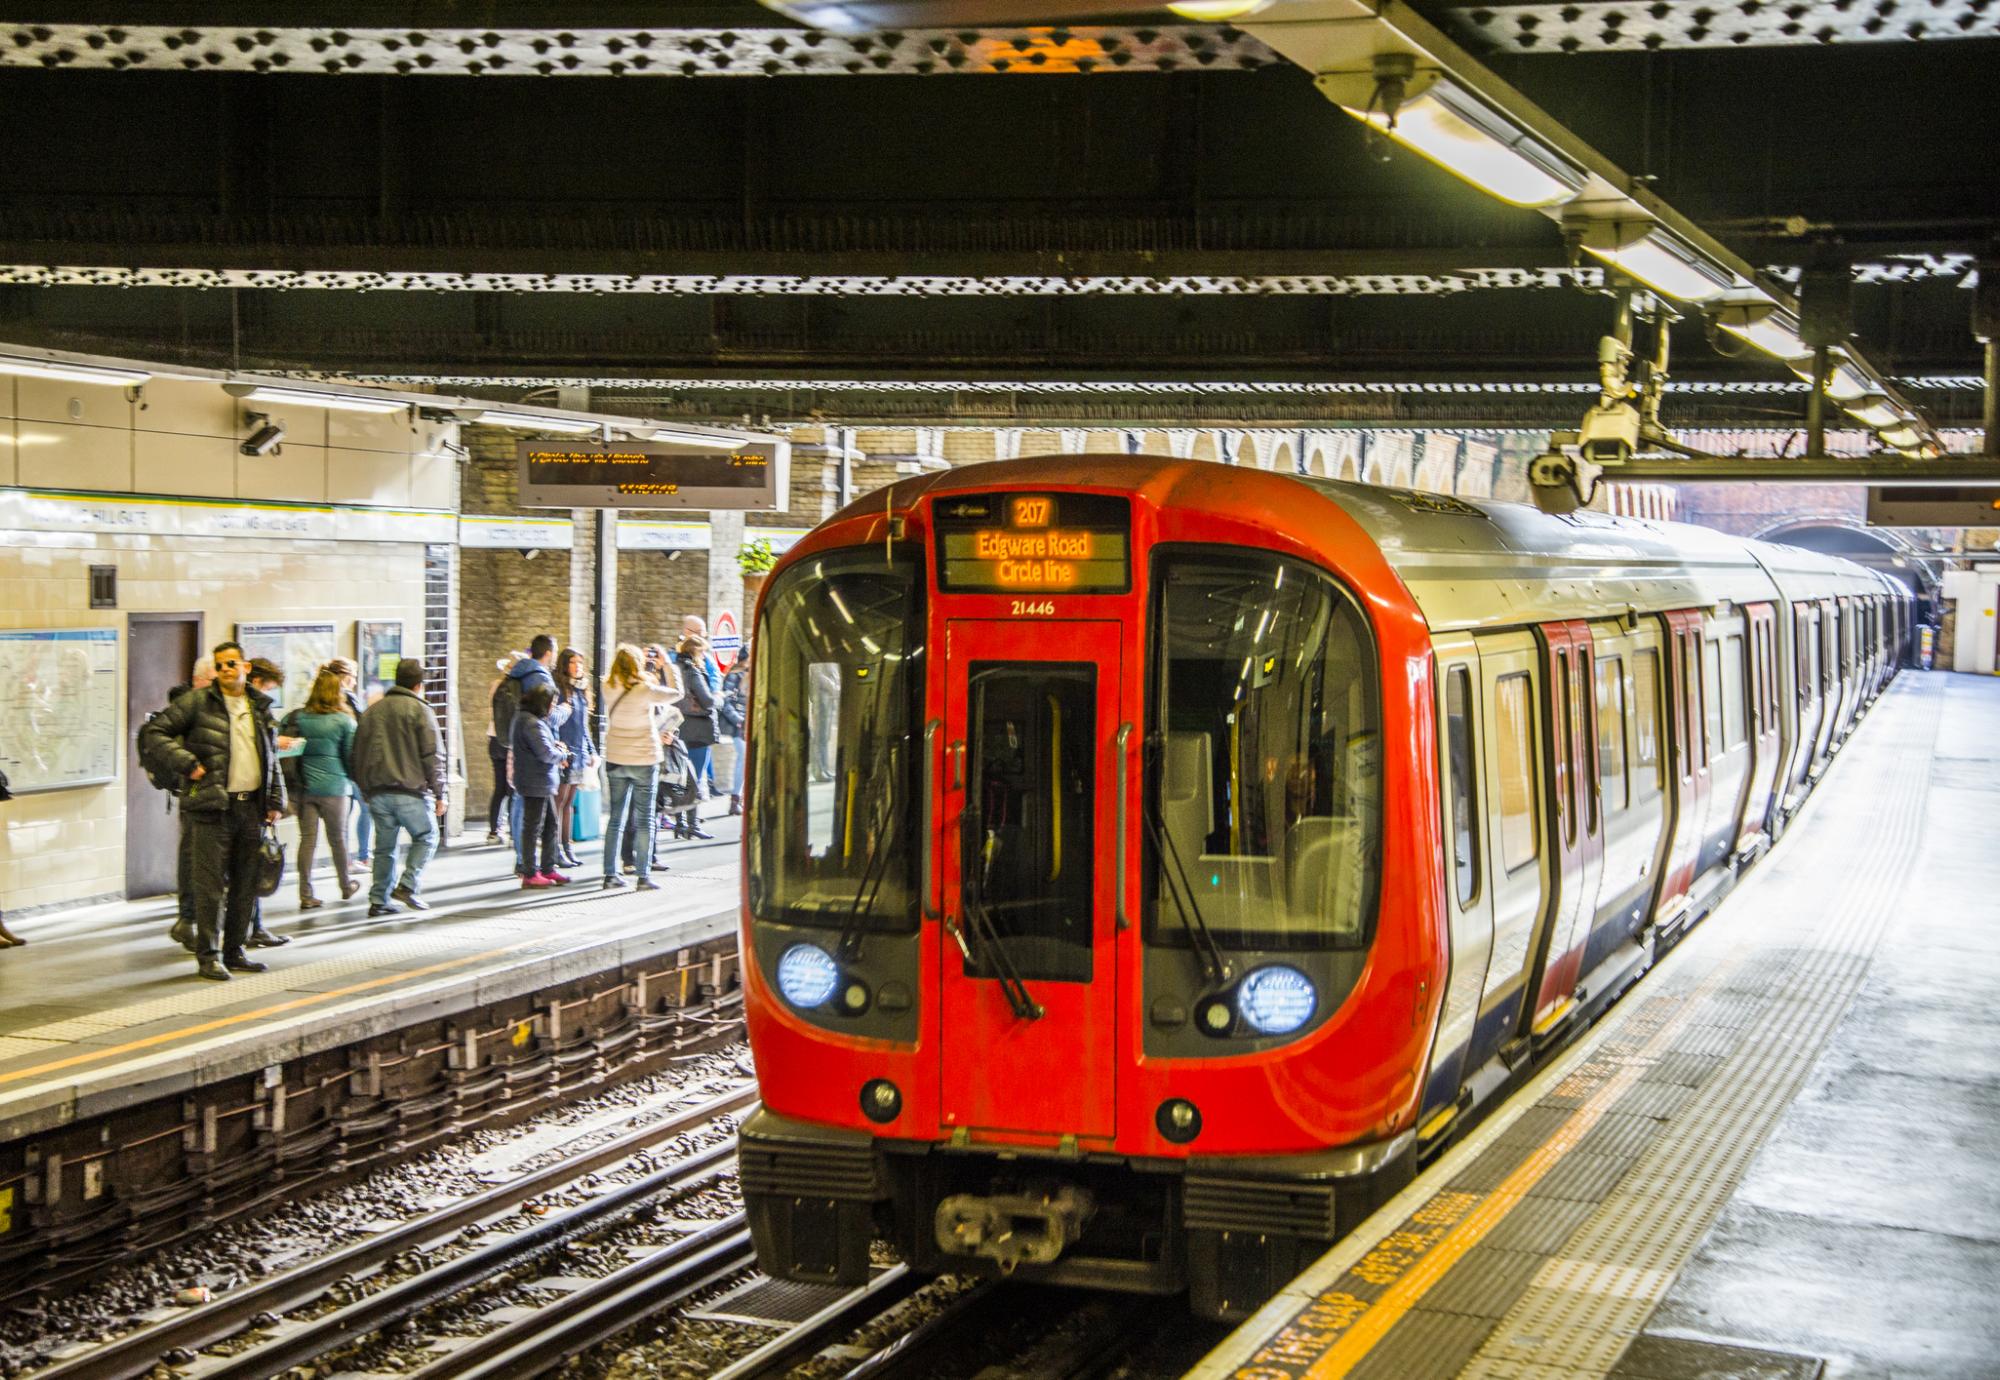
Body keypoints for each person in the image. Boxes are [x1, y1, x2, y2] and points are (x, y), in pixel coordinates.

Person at [138, 641, 286, 981]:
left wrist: (275, 799)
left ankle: (235, 950)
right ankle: (209, 955)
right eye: (220, 665)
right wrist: (187, 763)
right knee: (209, 886)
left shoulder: (259, 706)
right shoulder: (196, 703)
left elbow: (270, 757)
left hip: (251, 807)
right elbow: (154, 733)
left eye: (232, 663)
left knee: (246, 883)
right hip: (211, 807)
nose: (226, 670)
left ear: (246, 667)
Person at [352, 658, 448, 916]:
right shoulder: (420, 710)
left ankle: (379, 900)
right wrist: (441, 792)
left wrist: (365, 789)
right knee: (427, 836)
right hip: (409, 791)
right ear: (419, 685)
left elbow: (357, 753)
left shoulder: (373, 711)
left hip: (378, 793)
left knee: (384, 848)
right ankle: (407, 885)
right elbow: (433, 755)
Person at [600, 643, 682, 891]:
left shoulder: (607, 686)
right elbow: (677, 693)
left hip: (616, 758)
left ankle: (610, 875)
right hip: (644, 759)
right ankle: (643, 876)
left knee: (616, 819)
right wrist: (667, 664)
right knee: (646, 819)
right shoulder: (644, 689)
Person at [291, 668, 362, 910]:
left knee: (307, 841)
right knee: (338, 839)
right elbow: (350, 758)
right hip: (335, 788)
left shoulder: (300, 719)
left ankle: (306, 893)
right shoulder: (344, 721)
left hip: (306, 788)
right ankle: (345, 885)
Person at [163, 654, 215, 951]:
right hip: (196, 792)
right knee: (195, 856)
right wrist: (190, 764)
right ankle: (190, 919)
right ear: (199, 680)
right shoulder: (187, 709)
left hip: (212, 792)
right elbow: (157, 739)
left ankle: (193, 921)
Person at [497, 635, 557, 877]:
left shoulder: (515, 674)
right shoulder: (539, 678)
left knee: (521, 805)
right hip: (533, 753)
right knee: (531, 817)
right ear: (549, 652)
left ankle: (531, 863)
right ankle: (528, 866)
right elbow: (545, 717)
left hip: (516, 743)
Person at [511, 681, 571, 887]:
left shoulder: (528, 720)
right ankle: (530, 873)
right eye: (552, 703)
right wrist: (562, 753)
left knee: (550, 826)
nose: (553, 707)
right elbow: (545, 753)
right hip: (535, 780)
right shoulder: (531, 723)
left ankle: (547, 868)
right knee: (533, 827)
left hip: (540, 781)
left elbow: (541, 746)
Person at [551, 647, 598, 870]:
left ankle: (567, 846)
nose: (578, 666)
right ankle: (555, 849)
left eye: (581, 662)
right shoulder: (561, 690)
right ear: (564, 665)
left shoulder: (580, 691)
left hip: (579, 752)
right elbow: (555, 722)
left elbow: (584, 726)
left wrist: (591, 751)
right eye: (573, 662)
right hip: (565, 753)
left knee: (569, 803)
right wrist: (559, 751)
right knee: (558, 802)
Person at [325, 658, 371, 865]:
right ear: (345, 677)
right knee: (365, 807)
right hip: (354, 762)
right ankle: (362, 856)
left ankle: (347, 859)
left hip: (337, 764)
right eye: (353, 677)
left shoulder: (323, 698)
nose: (354, 682)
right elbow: (362, 726)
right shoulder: (349, 699)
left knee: (345, 814)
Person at [672, 633, 718, 842]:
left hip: (680, 728)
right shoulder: (693, 671)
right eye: (703, 652)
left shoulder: (676, 669)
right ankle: (692, 824)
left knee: (681, 778)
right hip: (698, 731)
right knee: (695, 779)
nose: (705, 656)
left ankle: (680, 823)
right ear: (696, 652)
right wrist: (720, 699)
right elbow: (707, 700)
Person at [484, 658, 516, 845]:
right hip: (508, 742)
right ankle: (513, 831)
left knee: (499, 788)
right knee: (511, 788)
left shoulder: (497, 686)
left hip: (494, 739)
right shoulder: (513, 689)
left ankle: (494, 830)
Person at [717, 643, 750, 816]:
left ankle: (743, 798)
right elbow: (727, 700)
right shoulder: (734, 676)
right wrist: (739, 720)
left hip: (751, 721)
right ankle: (735, 799)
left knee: (746, 760)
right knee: (743, 759)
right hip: (740, 724)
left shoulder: (753, 673)